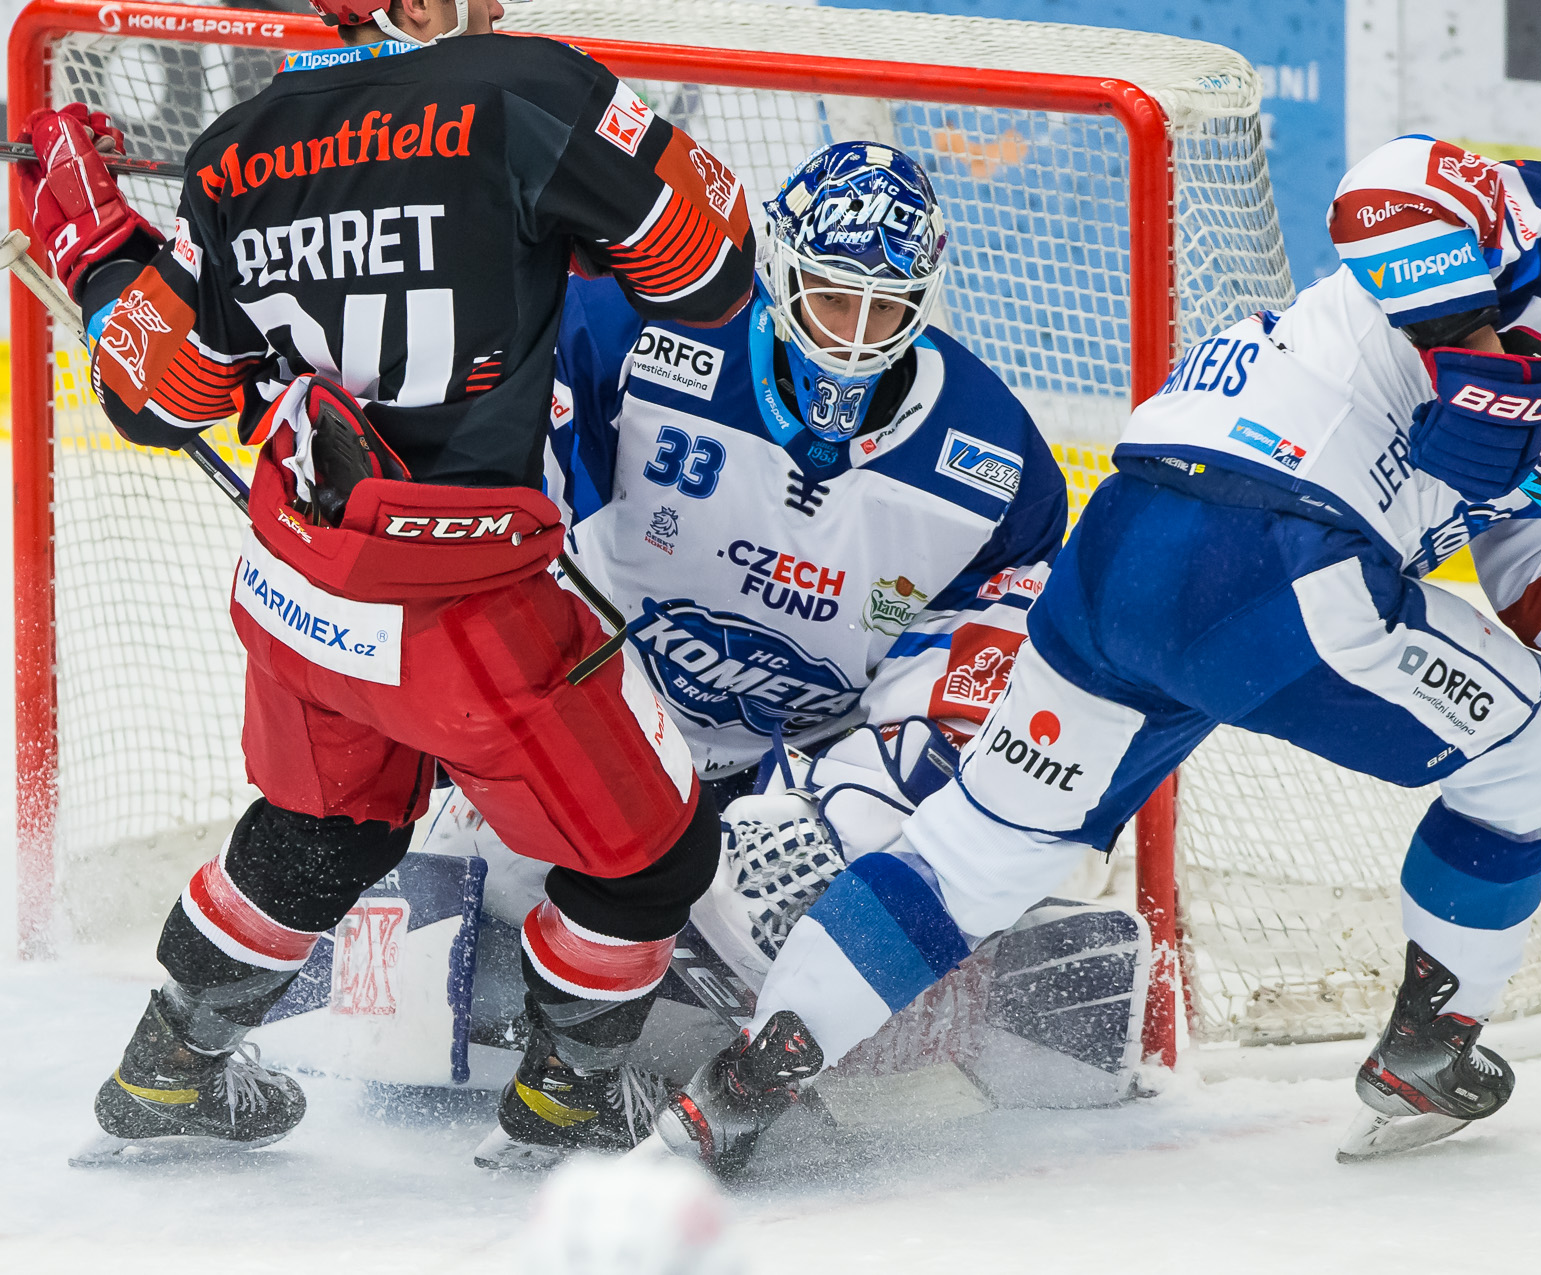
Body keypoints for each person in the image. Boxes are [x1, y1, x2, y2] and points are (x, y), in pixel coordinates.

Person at [648, 85, 1541, 1174]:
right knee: (1539, 743)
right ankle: (1429, 1047)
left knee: (982, 849)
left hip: (1125, 556)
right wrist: (1473, 352)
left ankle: (740, 1087)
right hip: (1269, 555)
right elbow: (1385, 188)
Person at [21, 0, 758, 1167]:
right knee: (654, 853)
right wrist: (560, 208)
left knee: (328, 828)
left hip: (298, 596)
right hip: (470, 607)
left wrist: (98, 252)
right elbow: (711, 271)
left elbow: (161, 395)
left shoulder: (235, 155)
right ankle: (566, 1098)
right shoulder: (530, 91)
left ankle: (169, 1067)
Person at [421, 140, 1129, 1160]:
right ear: (780, 269)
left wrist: (841, 816)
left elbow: (962, 696)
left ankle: (742, 1000)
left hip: (792, 770)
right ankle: (583, 983)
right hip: (604, 722)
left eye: (885, 308)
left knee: (793, 882)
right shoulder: (630, 329)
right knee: (489, 863)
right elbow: (516, 525)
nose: (854, 337)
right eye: (832, 297)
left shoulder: (996, 463)